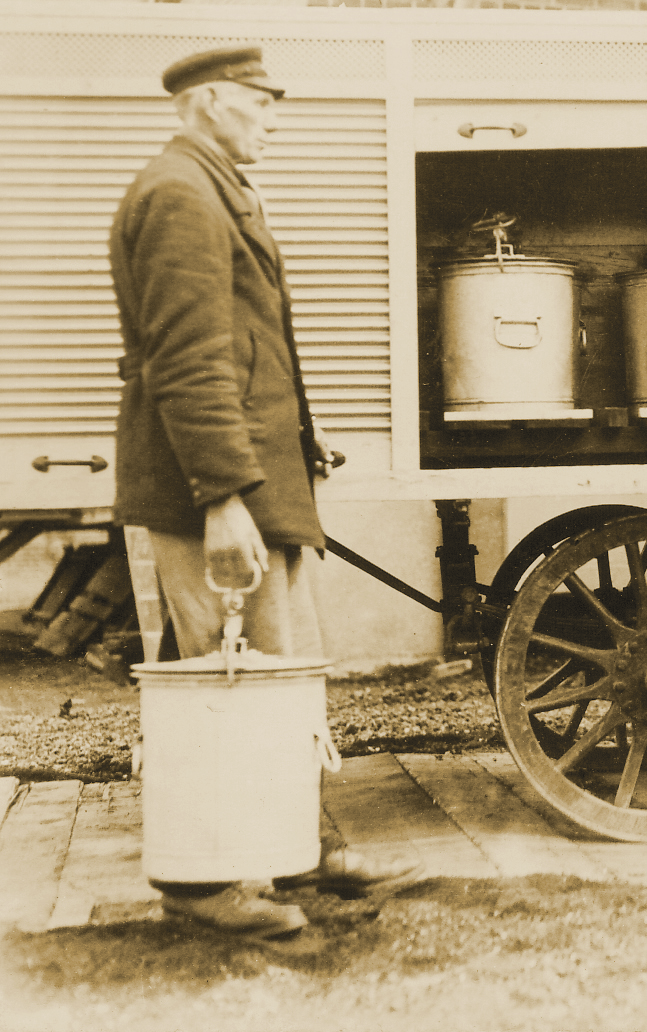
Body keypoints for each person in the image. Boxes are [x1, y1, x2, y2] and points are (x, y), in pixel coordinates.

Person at [110, 46, 414, 937]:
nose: (274, 118)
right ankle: (206, 889)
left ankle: (301, 852)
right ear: (208, 104)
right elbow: (190, 360)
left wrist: (290, 446)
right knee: (223, 684)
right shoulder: (179, 194)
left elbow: (248, 344)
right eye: (260, 102)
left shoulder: (211, 187)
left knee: (275, 674)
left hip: (250, 477)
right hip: (213, 489)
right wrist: (222, 498)